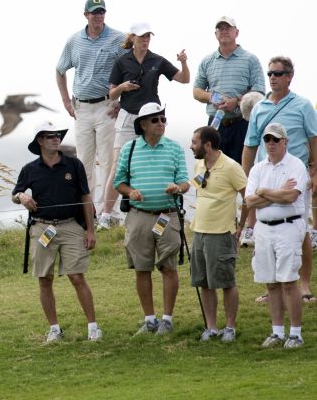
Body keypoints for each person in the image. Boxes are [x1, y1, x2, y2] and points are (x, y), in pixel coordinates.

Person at [12, 121, 101, 342]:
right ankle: (54, 329)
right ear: (40, 141)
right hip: (42, 226)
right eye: (50, 136)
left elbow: (85, 198)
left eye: (58, 135)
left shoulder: (74, 165)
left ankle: (93, 327)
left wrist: (90, 230)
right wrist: (22, 196)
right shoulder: (29, 169)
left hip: (71, 225)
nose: (56, 139)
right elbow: (15, 194)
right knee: (45, 278)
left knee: (77, 277)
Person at [97, 22, 190, 230]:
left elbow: (184, 79)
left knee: (152, 161)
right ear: (133, 38)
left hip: (152, 116)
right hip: (128, 116)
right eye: (142, 37)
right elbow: (111, 94)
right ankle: (105, 213)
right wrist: (123, 87)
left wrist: (183, 62)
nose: (145, 40)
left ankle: (153, 207)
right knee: (118, 163)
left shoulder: (157, 60)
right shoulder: (122, 62)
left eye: (148, 36)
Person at [242, 56, 317, 303]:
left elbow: (314, 139)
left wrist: (315, 172)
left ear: (289, 76)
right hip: (266, 173)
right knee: (267, 229)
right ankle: (272, 285)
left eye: (278, 73)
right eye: (270, 73)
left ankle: (302, 284)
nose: (272, 77)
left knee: (300, 229)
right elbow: (250, 145)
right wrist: (245, 179)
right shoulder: (259, 108)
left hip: (295, 174)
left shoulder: (303, 105)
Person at [113, 103, 189, 335]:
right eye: (155, 120)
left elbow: (185, 182)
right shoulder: (130, 148)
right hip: (139, 215)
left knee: (168, 267)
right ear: (143, 124)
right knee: (142, 269)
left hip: (168, 214)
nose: (161, 123)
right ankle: (149, 320)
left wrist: (178, 187)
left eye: (163, 119)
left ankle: (167, 319)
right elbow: (119, 182)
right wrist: (130, 192)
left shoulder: (174, 148)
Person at [193, 16, 265, 246]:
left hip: (243, 123)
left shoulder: (250, 60)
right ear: (216, 34)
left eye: (228, 28)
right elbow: (196, 91)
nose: (223, 32)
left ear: (237, 32)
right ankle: (213, 224)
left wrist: (237, 101)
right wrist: (214, 98)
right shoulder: (207, 61)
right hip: (214, 125)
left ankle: (247, 227)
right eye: (220, 29)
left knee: (245, 176)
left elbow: (260, 92)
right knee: (209, 174)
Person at [56, 0, 127, 213]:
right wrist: (66, 101)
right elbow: (60, 70)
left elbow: (132, 68)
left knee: (107, 160)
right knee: (84, 161)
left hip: (107, 107)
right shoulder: (74, 41)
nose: (98, 16)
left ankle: (108, 212)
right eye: (94, 12)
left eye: (101, 12)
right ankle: (87, 211)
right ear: (86, 15)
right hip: (82, 108)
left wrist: (122, 100)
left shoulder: (118, 38)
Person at [245, 123, 308, 349]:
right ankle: (277, 332)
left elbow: (291, 196)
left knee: (289, 281)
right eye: (267, 140)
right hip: (263, 228)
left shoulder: (296, 165)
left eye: (275, 140)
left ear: (285, 142)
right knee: (270, 282)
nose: (271, 144)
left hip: (288, 227)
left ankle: (296, 333)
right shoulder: (258, 169)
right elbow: (249, 200)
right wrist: (274, 193)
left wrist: (263, 192)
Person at [189, 126, 247, 342]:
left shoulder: (231, 167)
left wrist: (242, 226)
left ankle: (230, 328)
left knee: (226, 282)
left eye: (194, 142)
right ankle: (211, 328)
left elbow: (247, 197)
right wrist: (181, 187)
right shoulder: (199, 163)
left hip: (222, 233)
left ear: (207, 145)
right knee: (204, 282)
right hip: (198, 231)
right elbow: (197, 184)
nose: (191, 145)